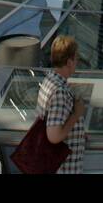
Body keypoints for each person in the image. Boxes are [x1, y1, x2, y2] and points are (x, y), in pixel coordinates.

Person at [37, 35, 87, 174]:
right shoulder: (60, 92)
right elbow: (54, 136)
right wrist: (77, 114)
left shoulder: (50, 80)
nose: (77, 62)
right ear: (69, 61)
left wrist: (79, 131)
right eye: (76, 58)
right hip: (63, 168)